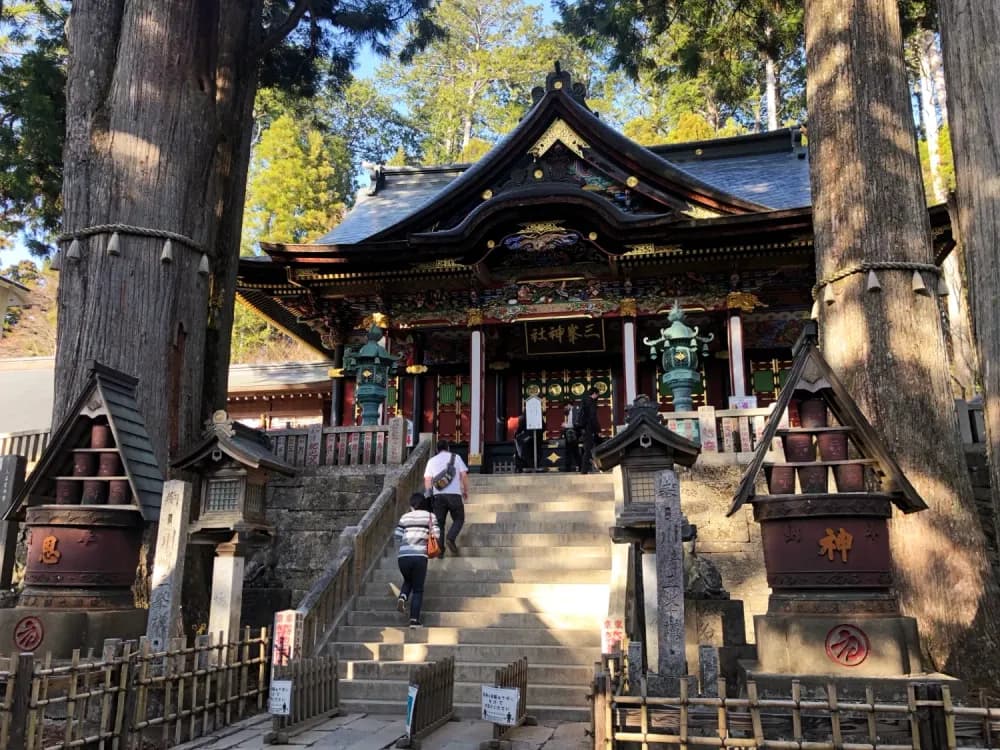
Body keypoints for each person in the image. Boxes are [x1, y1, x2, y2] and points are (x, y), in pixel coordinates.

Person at [393, 492, 440, 628]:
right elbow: (436, 534)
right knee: (418, 589)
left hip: (403, 557)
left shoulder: (405, 517)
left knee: (408, 580)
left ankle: (402, 597)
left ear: (411, 504)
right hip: (419, 556)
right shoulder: (430, 516)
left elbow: (397, 536)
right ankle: (414, 620)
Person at [424, 439, 469, 556]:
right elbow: (464, 475)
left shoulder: (431, 461)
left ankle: (440, 550)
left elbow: (428, 479)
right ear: (448, 448)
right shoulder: (456, 457)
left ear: (437, 450)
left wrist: (429, 495)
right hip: (454, 494)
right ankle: (451, 537)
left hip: (438, 496)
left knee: (439, 523)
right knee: (459, 518)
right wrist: (465, 490)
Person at [578, 387, 600, 474]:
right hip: (589, 428)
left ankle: (588, 468)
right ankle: (584, 469)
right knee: (588, 449)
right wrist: (597, 429)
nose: (598, 397)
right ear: (594, 393)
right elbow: (592, 417)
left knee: (588, 448)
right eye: (597, 394)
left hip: (584, 428)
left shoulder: (584, 401)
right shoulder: (591, 402)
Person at [562, 402, 580, 472]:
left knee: (569, 451)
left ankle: (568, 467)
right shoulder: (573, 411)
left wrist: (565, 425)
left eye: (565, 407)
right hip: (573, 434)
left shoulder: (572, 412)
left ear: (569, 405)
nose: (565, 409)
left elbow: (571, 424)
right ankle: (579, 465)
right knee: (575, 451)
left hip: (572, 434)